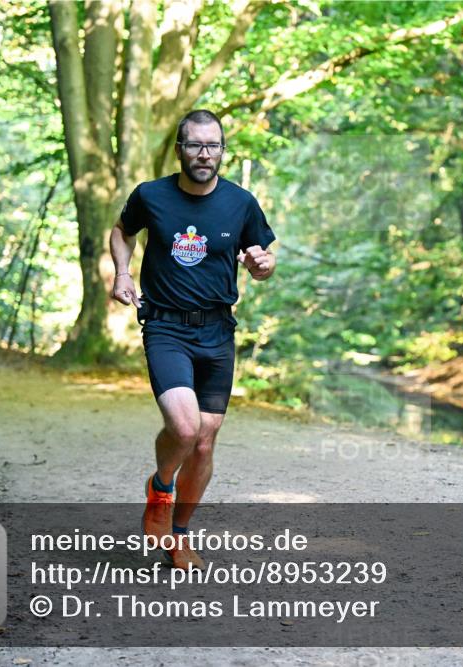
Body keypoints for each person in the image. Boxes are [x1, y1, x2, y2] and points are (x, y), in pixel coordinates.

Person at [110, 109, 277, 570]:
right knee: (185, 428)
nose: (205, 154)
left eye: (213, 145)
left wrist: (263, 266)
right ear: (180, 149)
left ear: (222, 150)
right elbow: (122, 231)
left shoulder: (241, 203)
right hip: (166, 326)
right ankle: (161, 487)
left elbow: (262, 259)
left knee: (204, 442)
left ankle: (179, 534)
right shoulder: (151, 195)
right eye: (195, 145)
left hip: (217, 330)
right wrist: (123, 273)